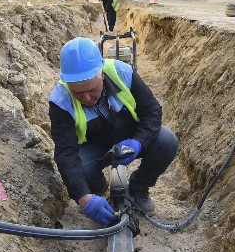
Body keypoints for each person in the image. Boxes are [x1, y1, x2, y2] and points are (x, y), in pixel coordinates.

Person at [49, 37, 178, 225]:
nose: (86, 97)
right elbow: (65, 153)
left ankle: (138, 189)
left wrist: (138, 142)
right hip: (94, 145)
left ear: (101, 74)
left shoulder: (123, 73)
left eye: (91, 90)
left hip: (130, 135)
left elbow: (152, 111)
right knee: (82, 169)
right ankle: (100, 192)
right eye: (77, 93)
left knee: (167, 141)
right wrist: (84, 197)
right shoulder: (60, 101)